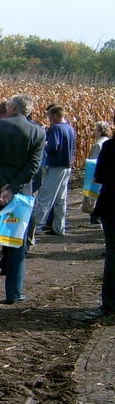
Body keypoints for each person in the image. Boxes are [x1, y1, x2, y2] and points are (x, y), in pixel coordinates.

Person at [0, 94, 45, 304]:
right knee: (16, 244)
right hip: (20, 196)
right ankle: (14, 293)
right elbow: (33, 166)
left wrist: (1, 185)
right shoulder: (37, 132)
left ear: (13, 108)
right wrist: (12, 188)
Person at [28, 105, 76, 240]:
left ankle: (36, 227)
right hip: (67, 166)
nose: (49, 119)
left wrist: (44, 144)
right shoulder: (69, 128)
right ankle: (59, 227)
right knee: (61, 199)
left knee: (45, 197)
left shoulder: (56, 128)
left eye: (50, 117)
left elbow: (53, 146)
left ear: (55, 116)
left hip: (56, 166)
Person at [92, 129, 115, 315]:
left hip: (111, 205)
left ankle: (110, 301)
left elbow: (99, 176)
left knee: (112, 252)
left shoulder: (109, 146)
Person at [84, 121, 111, 224]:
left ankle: (95, 216)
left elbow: (94, 161)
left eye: (96, 130)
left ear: (100, 131)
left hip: (99, 174)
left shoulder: (99, 144)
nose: (94, 132)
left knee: (94, 195)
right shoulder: (107, 141)